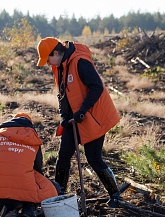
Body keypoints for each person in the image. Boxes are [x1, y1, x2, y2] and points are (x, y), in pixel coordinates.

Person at [36, 37, 122, 208]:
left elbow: (97, 87)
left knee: (94, 159)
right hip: (73, 119)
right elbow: (62, 95)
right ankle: (59, 195)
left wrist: (82, 111)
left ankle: (115, 195)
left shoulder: (80, 62)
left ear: (56, 53)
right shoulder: (58, 67)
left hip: (93, 117)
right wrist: (63, 116)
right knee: (62, 157)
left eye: (48, 59)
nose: (47, 64)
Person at [0, 113, 58, 217]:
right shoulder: (34, 141)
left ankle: (2, 210)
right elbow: (38, 170)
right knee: (46, 184)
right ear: (30, 126)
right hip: (20, 196)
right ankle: (28, 209)